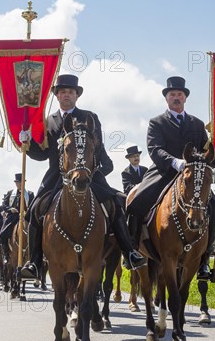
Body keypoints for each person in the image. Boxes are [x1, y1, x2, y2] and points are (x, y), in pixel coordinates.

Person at [20, 74, 146, 279]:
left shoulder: (89, 117)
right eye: (62, 92)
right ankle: (34, 262)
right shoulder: (47, 121)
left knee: (114, 203)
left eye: (70, 92)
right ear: (57, 96)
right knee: (34, 210)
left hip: (88, 174)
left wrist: (94, 170)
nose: (66, 95)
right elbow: (42, 154)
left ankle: (129, 252)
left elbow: (98, 148)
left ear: (76, 95)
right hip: (56, 177)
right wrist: (27, 144)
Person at [127, 76, 215, 281]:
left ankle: (204, 261)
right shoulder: (156, 122)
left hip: (193, 176)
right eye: (172, 95)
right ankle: (133, 252)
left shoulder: (197, 123)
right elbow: (154, 149)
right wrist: (174, 162)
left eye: (179, 94)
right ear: (167, 99)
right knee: (137, 202)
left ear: (185, 98)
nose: (176, 97)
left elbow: (207, 154)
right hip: (163, 171)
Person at [0, 174, 35, 264]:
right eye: (17, 182)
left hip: (26, 217)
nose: (19, 184)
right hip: (12, 217)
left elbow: (33, 205)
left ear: (24, 182)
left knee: (36, 232)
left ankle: (36, 257)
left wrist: (27, 211)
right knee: (3, 234)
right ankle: (6, 255)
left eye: (20, 182)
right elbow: (4, 205)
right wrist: (10, 209)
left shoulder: (30, 194)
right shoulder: (10, 193)